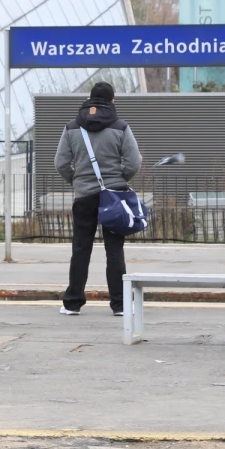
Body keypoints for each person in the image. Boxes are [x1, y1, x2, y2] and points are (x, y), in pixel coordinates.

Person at [53, 81, 142, 317]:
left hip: (83, 197)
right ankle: (120, 305)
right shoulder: (121, 127)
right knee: (114, 251)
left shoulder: (72, 127)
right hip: (113, 197)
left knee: (81, 248)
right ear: (112, 101)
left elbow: (60, 163)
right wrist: (119, 179)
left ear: (89, 99)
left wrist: (77, 181)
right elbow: (134, 162)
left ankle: (72, 303)